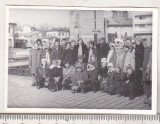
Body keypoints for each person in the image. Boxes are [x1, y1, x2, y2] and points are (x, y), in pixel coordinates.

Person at [142, 39, 152, 104]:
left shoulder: (151, 50)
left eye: (149, 42)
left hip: (149, 68)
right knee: (145, 82)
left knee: (149, 82)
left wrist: (148, 68)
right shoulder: (145, 50)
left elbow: (150, 60)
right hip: (144, 67)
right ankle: (146, 96)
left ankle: (149, 98)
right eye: (146, 42)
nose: (147, 43)